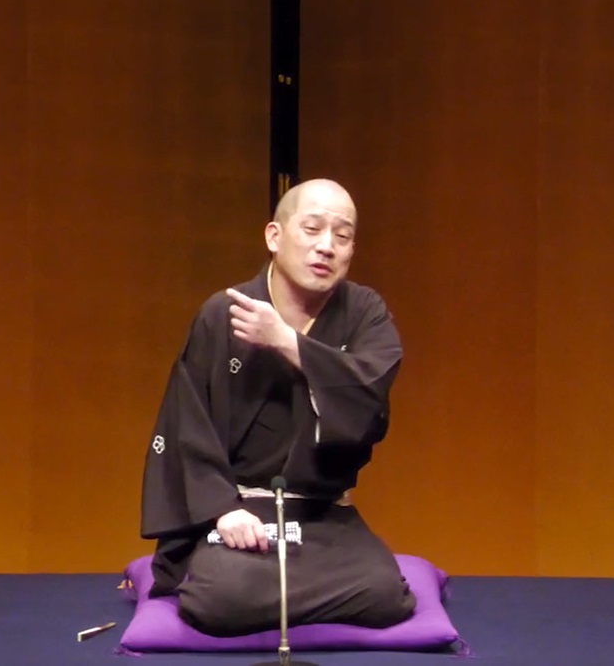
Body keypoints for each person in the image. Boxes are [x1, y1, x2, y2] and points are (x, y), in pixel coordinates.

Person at [138, 178, 416, 638]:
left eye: (342, 235)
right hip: (240, 514)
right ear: (274, 236)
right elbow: (187, 421)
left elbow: (368, 397)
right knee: (219, 597)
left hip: (323, 516)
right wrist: (222, 510)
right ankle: (251, 581)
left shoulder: (365, 312)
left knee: (386, 595)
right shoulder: (222, 313)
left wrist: (286, 342)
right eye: (312, 229)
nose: (326, 246)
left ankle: (276, 594)